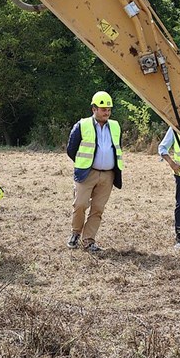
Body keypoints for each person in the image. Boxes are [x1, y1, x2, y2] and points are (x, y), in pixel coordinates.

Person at [66, 91, 123, 253]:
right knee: (80, 205)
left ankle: (89, 240)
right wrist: (83, 164)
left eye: (109, 109)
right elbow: (71, 149)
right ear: (94, 109)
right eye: (103, 109)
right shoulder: (82, 125)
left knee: (98, 209)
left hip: (108, 175)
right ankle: (75, 233)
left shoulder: (115, 126)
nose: (107, 112)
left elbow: (117, 147)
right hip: (86, 174)